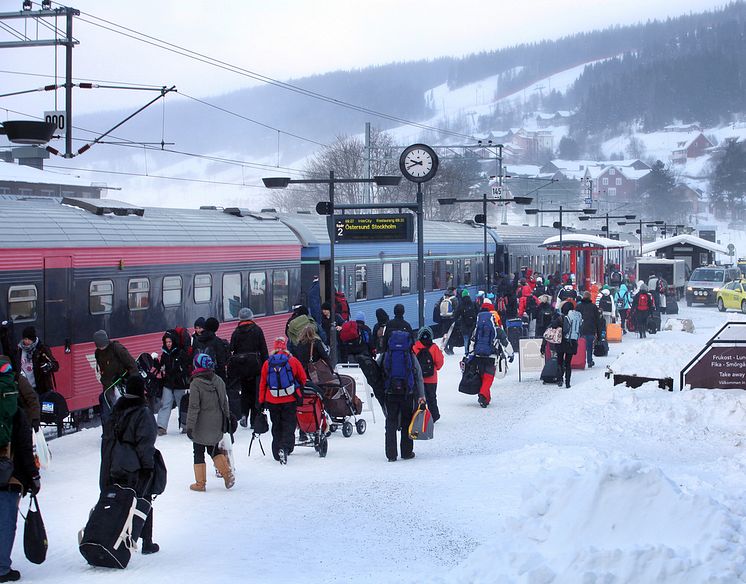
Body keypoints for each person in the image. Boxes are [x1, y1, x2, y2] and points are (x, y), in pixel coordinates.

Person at [99, 374, 159, 554]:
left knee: (116, 501)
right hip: (133, 466)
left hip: (113, 463)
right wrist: (148, 468)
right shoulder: (143, 412)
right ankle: (146, 542)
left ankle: (112, 537)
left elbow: (107, 438)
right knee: (143, 499)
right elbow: (145, 444)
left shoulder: (115, 411)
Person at [0, 357, 40, 583]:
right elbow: (25, 450)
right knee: (5, 521)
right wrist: (34, 477)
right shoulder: (16, 413)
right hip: (9, 475)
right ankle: (2, 568)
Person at [186, 353, 234, 491]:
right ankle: (227, 474)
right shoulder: (218, 380)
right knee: (213, 449)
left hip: (200, 424)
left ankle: (200, 484)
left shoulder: (196, 383)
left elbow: (194, 407)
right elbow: (225, 402)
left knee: (198, 451)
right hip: (216, 422)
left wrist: (190, 426)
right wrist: (226, 420)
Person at [379, 329, 426, 462]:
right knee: (407, 422)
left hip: (390, 392)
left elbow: (378, 369)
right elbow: (418, 376)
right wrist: (421, 395)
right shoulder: (410, 355)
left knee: (391, 423)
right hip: (407, 393)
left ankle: (391, 454)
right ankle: (406, 452)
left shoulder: (387, 354)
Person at [259, 337, 306, 465]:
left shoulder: (267, 363)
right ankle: (286, 448)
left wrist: (261, 400)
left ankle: (276, 450)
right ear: (285, 347)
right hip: (289, 399)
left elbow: (263, 383)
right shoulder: (293, 361)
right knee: (288, 424)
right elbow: (303, 378)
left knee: (276, 424)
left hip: (272, 399)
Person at [229, 308, 268, 429]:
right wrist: (266, 364)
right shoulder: (257, 330)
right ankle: (254, 419)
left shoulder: (236, 332)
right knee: (256, 392)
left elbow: (232, 348)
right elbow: (263, 348)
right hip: (256, 366)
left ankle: (244, 414)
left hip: (241, 368)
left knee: (245, 392)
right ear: (251, 318)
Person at [471, 298, 514, 407]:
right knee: (488, 378)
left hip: (478, 355)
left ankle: (486, 399)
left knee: (482, 377)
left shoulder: (477, 329)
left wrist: (470, 354)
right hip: (491, 356)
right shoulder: (497, 330)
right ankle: (482, 395)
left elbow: (472, 342)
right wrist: (511, 354)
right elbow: (506, 342)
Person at [93, 330, 138, 424]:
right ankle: (109, 433)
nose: (102, 348)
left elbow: (131, 363)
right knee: (107, 410)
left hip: (121, 382)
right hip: (108, 385)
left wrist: (133, 381)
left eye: (103, 346)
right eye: (99, 346)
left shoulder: (116, 348)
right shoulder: (98, 353)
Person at [156, 330, 191, 436]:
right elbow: (162, 367)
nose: (168, 344)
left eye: (170, 342)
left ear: (174, 341)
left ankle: (185, 425)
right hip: (168, 383)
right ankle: (161, 427)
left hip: (179, 383)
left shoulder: (181, 353)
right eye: (166, 342)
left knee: (182, 405)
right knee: (165, 404)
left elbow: (185, 368)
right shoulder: (165, 354)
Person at [412, 327, 444, 422]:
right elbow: (440, 363)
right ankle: (434, 415)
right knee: (432, 398)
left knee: (419, 398)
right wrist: (435, 368)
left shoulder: (415, 347)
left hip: (418, 378)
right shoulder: (434, 347)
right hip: (432, 378)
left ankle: (419, 417)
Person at [16, 326, 58, 395]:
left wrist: (48, 366)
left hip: (39, 388)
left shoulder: (42, 349)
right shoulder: (19, 349)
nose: (26, 341)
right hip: (24, 387)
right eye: (25, 339)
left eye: (29, 339)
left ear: (33, 339)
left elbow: (55, 365)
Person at [192, 317, 229, 381]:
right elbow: (221, 361)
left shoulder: (197, 341)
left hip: (199, 375)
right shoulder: (217, 341)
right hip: (214, 374)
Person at [555, 301, 582, 388]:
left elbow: (553, 325)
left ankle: (560, 379)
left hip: (561, 342)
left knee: (559, 361)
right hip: (572, 342)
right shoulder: (576, 317)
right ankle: (568, 383)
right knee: (568, 363)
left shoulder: (561, 318)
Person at [576, 291, 602, 368]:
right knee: (589, 346)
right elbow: (597, 321)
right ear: (590, 297)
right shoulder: (594, 307)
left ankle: (580, 361)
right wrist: (599, 334)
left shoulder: (578, 306)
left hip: (580, 329)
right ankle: (589, 361)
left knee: (580, 346)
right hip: (591, 329)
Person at [453, 290, 477, 354]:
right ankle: (472, 351)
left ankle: (466, 352)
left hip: (464, 325)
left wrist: (458, 322)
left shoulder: (461, 305)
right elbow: (477, 313)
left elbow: (456, 315)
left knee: (466, 339)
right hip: (473, 325)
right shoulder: (473, 303)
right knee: (472, 340)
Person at [438, 289, 457, 355]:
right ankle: (451, 348)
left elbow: (438, 308)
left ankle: (444, 347)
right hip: (451, 319)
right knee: (451, 334)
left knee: (445, 333)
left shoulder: (442, 299)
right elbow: (456, 309)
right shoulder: (454, 299)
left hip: (444, 319)